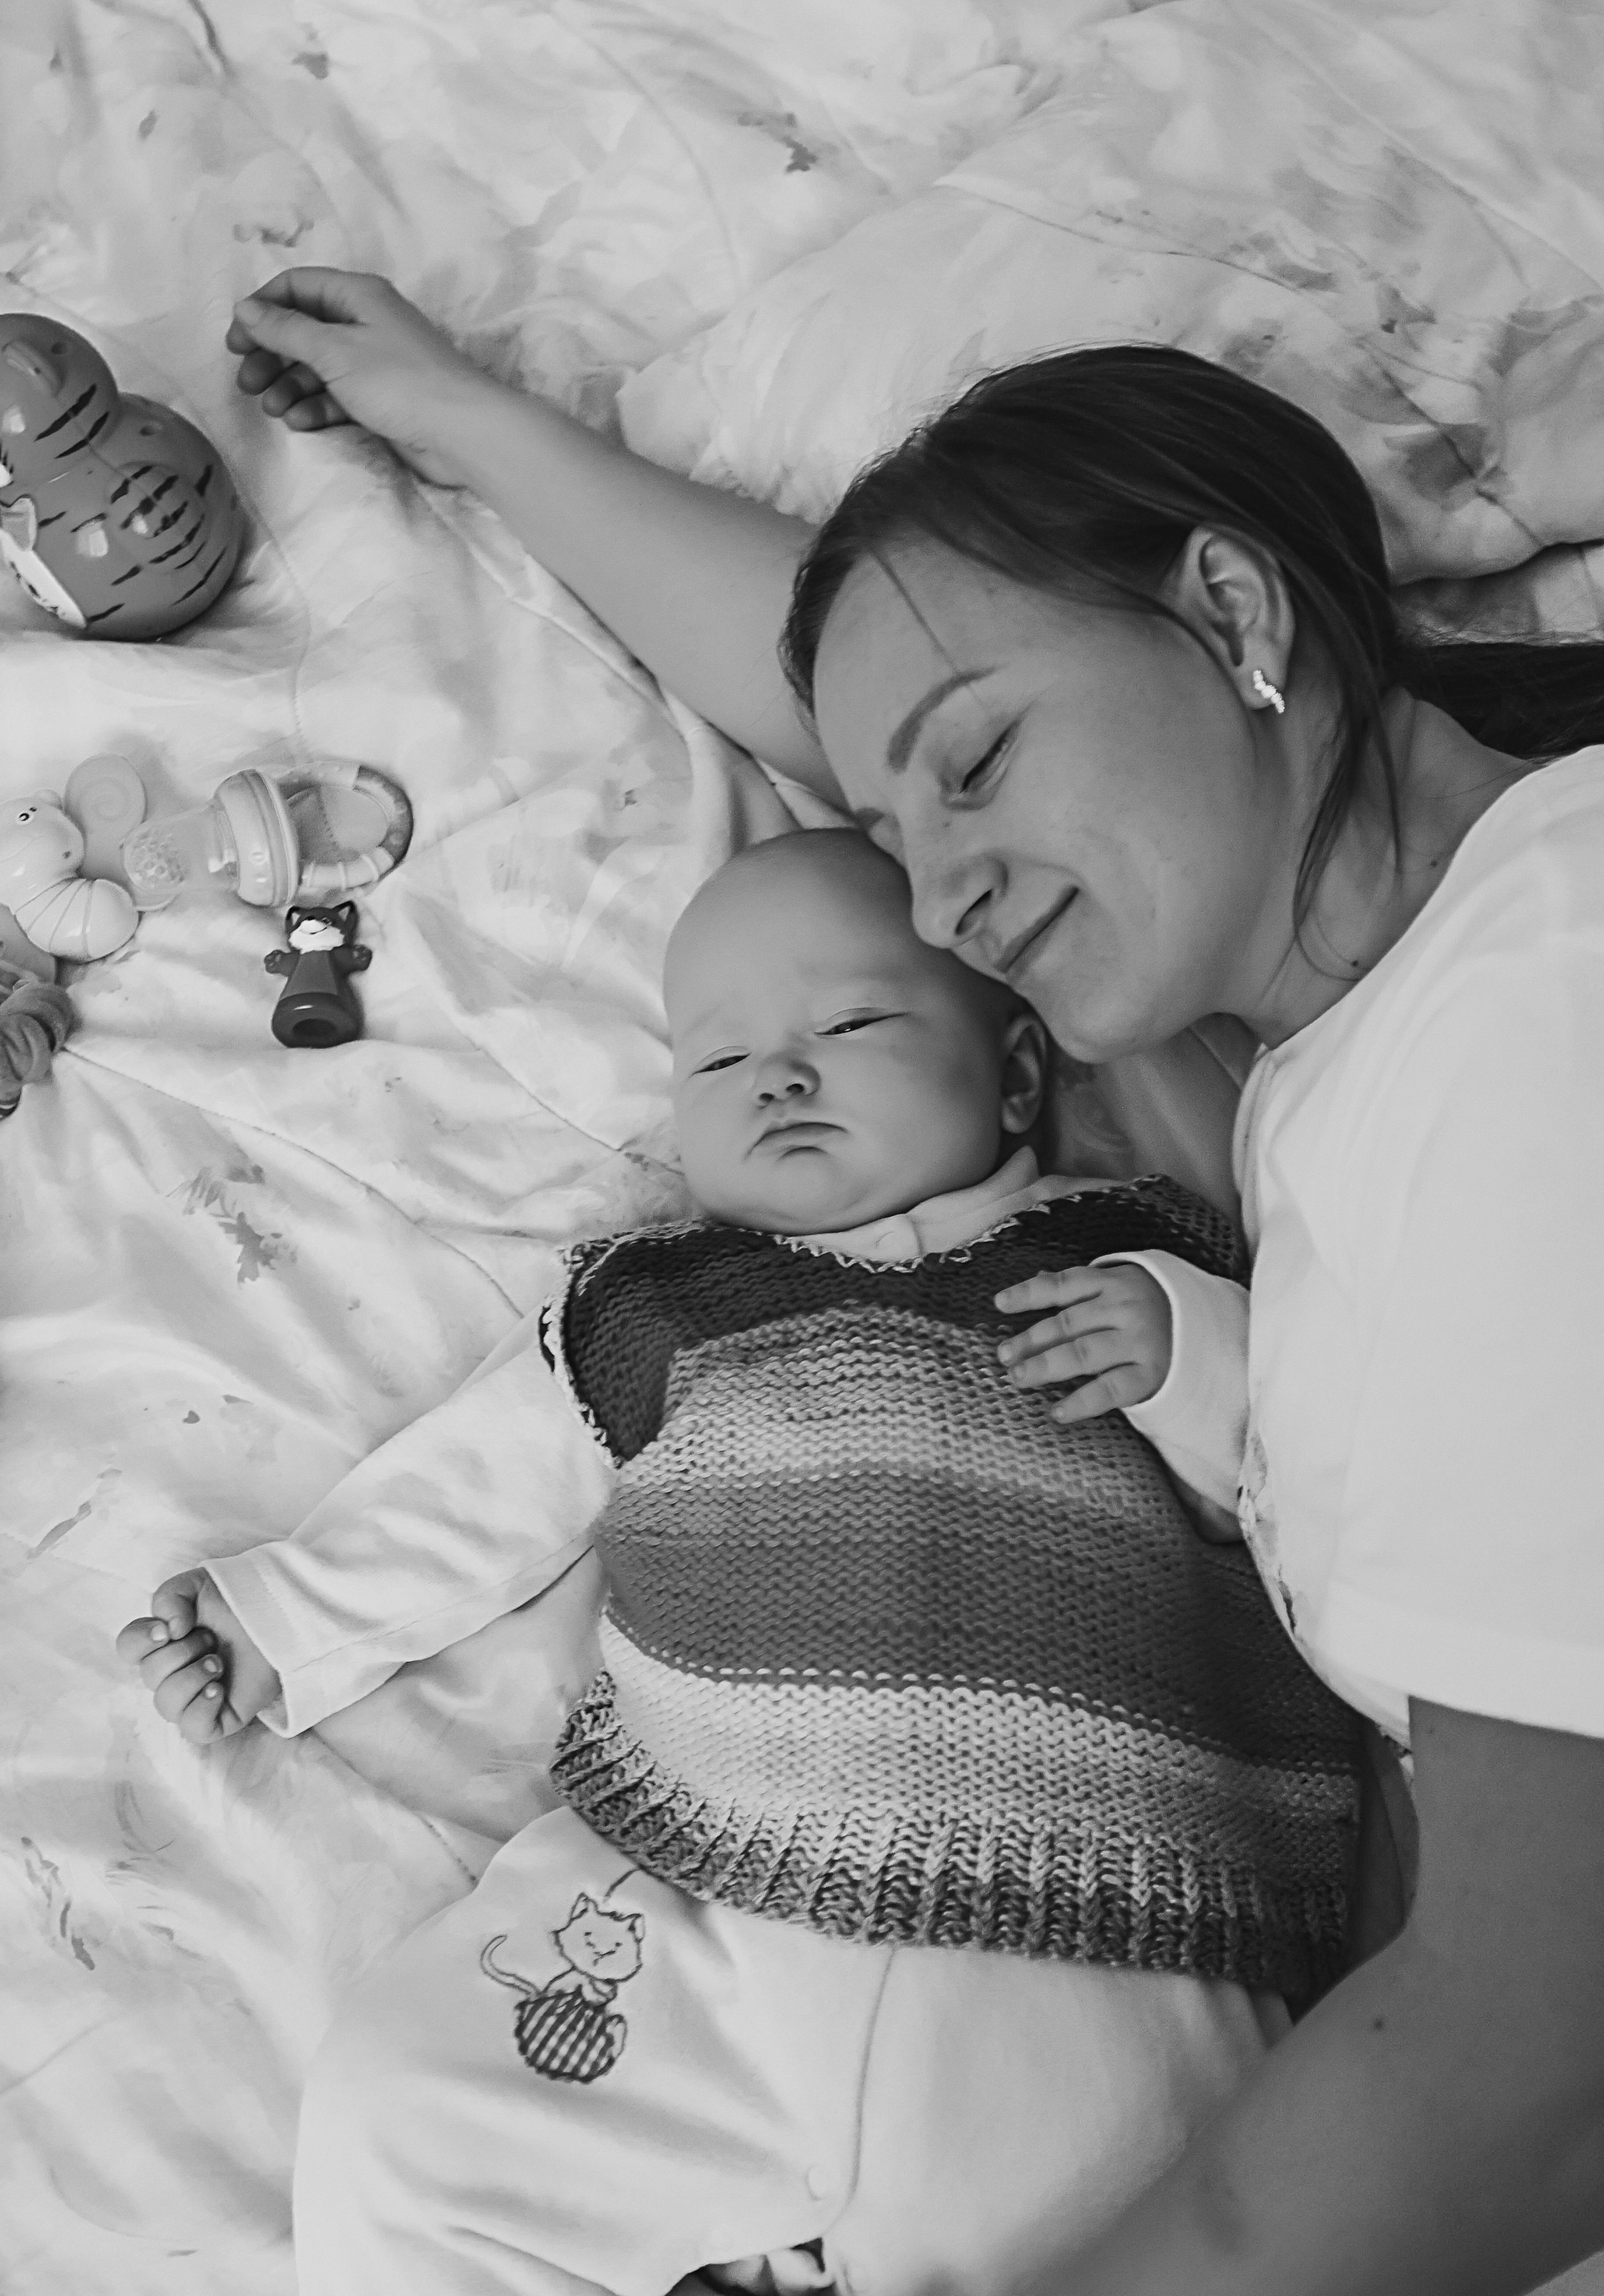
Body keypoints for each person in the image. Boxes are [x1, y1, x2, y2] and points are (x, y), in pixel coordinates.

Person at [206, 239, 1604, 2296]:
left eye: (975, 766)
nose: (941, 906)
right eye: (895, 829)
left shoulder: (1546, 1016)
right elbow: (849, 674)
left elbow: (1541, 2063)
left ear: (1236, 615)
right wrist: (472, 425)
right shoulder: (1348, 991)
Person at [119, 825, 1358, 2296]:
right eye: (718, 1059)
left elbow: (1301, 1490)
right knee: (401, 2128)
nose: (779, 1077)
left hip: (1094, 1921)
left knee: (1141, 2226)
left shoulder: (1119, 1264)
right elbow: (480, 1486)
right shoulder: (657, 1303)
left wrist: (1187, 1353)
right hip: (707, 1894)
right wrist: (285, 1617)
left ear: (1019, 1074)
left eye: (852, 1023)